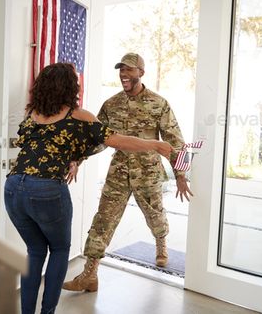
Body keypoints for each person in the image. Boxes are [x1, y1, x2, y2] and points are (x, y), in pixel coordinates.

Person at [4, 62, 172, 314]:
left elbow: (40, 145)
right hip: (46, 189)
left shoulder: (33, 114)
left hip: (13, 187)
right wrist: (156, 145)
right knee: (59, 249)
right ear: (69, 86)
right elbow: (117, 141)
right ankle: (47, 312)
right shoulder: (78, 115)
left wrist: (73, 158)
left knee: (35, 251)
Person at [62, 52, 193, 293]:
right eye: (121, 69)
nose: (124, 74)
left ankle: (161, 241)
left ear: (141, 73)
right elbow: (96, 139)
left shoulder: (159, 104)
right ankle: (90, 274)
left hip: (149, 173)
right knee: (103, 219)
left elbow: (175, 140)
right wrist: (76, 160)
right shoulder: (111, 105)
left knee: (155, 216)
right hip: (119, 173)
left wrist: (181, 175)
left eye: (129, 69)